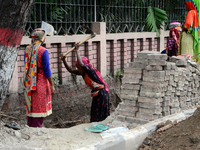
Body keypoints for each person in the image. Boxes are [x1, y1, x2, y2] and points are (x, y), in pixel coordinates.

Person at [60, 43, 110, 122]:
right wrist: (64, 60)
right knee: (95, 114)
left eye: (79, 68)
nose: (78, 69)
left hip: (102, 95)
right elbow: (71, 70)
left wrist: (77, 50)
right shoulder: (83, 73)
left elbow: (81, 64)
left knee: (101, 115)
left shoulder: (90, 71)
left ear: (84, 66)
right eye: (78, 68)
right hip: (97, 94)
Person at [23, 28, 55, 127]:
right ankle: (35, 132)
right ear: (42, 39)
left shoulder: (27, 49)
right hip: (40, 84)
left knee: (31, 110)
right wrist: (52, 84)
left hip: (29, 83)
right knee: (39, 110)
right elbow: (47, 70)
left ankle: (30, 130)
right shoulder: (43, 51)